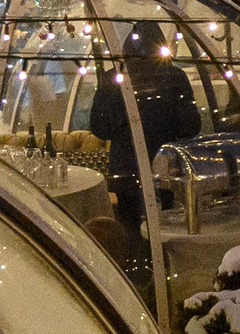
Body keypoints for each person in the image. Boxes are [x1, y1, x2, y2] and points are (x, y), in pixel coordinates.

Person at [85, 23, 202, 236]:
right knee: (167, 228)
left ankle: (133, 255)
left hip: (125, 170)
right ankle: (163, 256)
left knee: (129, 227)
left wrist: (122, 125)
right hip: (165, 167)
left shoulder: (112, 79)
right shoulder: (175, 77)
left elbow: (100, 128)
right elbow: (191, 126)